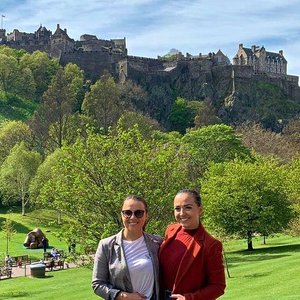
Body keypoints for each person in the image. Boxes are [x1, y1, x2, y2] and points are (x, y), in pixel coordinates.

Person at [92, 195, 163, 299]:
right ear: (121, 215)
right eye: (128, 213)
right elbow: (97, 284)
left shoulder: (157, 243)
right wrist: (124, 296)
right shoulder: (106, 246)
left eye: (139, 213)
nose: (133, 217)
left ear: (146, 215)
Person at [159, 189, 226, 300]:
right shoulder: (170, 230)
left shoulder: (211, 245)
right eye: (177, 208)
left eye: (188, 207)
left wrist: (189, 298)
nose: (182, 213)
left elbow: (218, 286)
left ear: (200, 210)